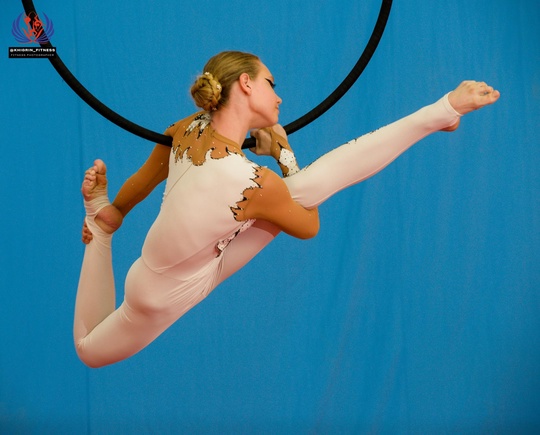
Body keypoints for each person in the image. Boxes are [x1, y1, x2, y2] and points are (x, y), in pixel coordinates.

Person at [75, 50, 499, 368]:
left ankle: (103, 225)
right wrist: (285, 155)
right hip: (172, 288)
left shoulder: (187, 128)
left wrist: (117, 209)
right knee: (296, 190)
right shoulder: (252, 181)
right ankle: (438, 112)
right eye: (270, 83)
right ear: (246, 83)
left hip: (187, 265)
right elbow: (308, 224)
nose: (278, 97)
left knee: (88, 349)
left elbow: (148, 177)